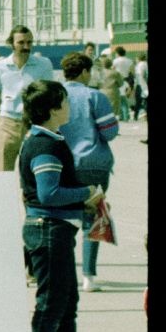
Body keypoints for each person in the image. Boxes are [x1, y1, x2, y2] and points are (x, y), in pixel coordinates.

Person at [18, 80, 112, 332]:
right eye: (65, 102)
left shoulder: (47, 139)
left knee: (65, 303)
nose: (69, 107)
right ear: (53, 109)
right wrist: (86, 193)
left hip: (53, 229)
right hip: (48, 229)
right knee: (50, 306)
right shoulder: (46, 145)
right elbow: (49, 193)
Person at [57, 53, 118, 294]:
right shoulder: (94, 96)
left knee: (62, 220)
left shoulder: (54, 94)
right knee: (92, 219)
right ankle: (88, 276)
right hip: (93, 164)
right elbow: (109, 132)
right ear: (84, 72)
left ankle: (62, 272)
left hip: (61, 163)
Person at [0, 25, 55, 171]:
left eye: (29, 42)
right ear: (11, 43)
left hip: (34, 125)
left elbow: (49, 98)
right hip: (7, 125)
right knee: (3, 173)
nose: (26, 46)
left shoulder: (44, 64)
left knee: (35, 173)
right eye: (21, 42)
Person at [110, 47, 135, 121]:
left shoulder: (115, 61)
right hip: (126, 80)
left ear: (117, 53)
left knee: (120, 99)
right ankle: (124, 116)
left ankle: (124, 116)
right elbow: (132, 72)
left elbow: (112, 70)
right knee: (123, 98)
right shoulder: (130, 61)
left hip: (118, 80)